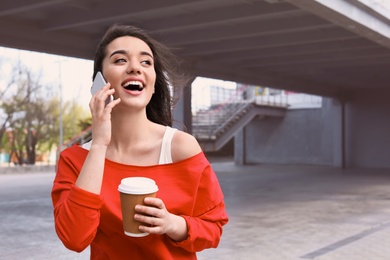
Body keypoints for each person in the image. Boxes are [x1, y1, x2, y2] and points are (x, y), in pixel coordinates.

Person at [51, 24, 229, 259]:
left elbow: (213, 228)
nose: (135, 67)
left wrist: (172, 224)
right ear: (100, 81)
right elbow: (74, 238)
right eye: (120, 60)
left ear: (154, 84)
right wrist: (98, 145)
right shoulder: (75, 160)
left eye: (146, 62)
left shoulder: (181, 148)